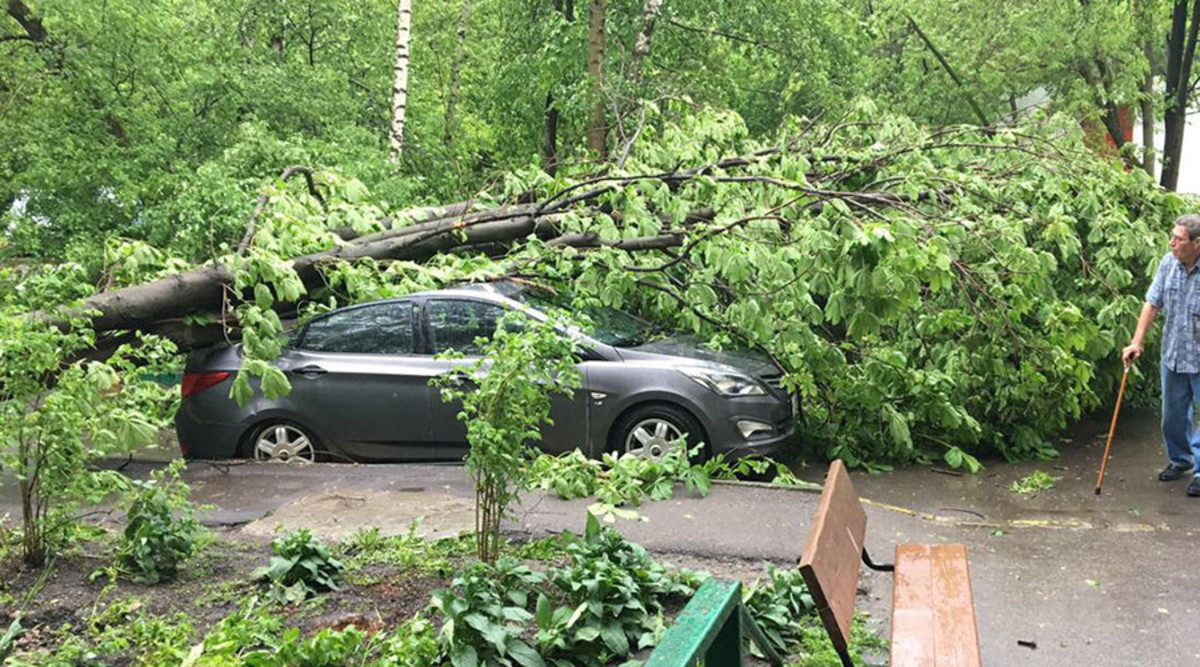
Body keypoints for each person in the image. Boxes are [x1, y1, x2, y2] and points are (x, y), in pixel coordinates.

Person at [1124, 214, 1200, 496]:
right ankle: (1181, 460)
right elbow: (1152, 304)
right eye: (1172, 236)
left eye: (1179, 239)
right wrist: (1136, 343)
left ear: (1197, 243)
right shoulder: (1168, 264)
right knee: (1172, 416)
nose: (1172, 243)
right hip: (1174, 355)